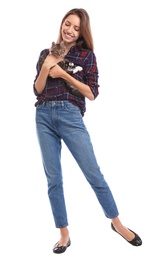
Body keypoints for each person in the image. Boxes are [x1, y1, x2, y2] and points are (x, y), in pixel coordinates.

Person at [33, 8, 142, 254]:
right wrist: (46, 66)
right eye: (67, 24)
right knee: (53, 179)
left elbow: (92, 93)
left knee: (93, 173)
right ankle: (64, 234)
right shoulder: (45, 52)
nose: (70, 30)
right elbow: (38, 90)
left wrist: (62, 73)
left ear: (82, 32)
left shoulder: (87, 56)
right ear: (62, 23)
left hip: (70, 115)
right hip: (42, 116)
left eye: (76, 28)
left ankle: (117, 223)